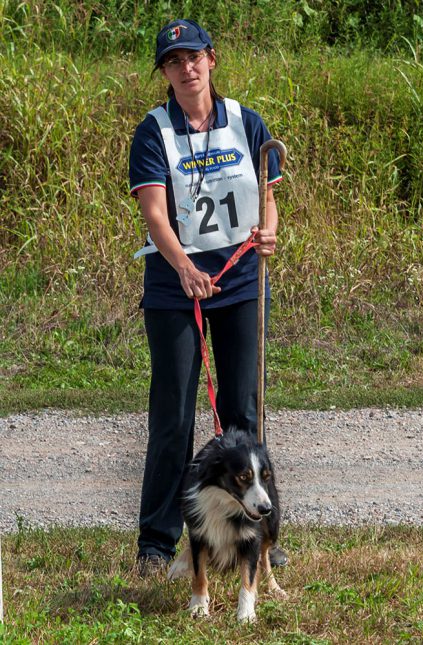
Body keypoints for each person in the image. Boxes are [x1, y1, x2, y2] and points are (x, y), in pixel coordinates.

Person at [129, 18, 287, 574]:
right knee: (173, 416)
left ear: (211, 59)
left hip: (242, 283)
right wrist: (185, 267)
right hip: (177, 289)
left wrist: (269, 230)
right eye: (174, 62)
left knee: (241, 413)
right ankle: (156, 542)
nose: (186, 67)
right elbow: (153, 213)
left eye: (194, 56)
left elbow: (267, 193)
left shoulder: (246, 120)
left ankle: (258, 535)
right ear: (165, 73)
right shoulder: (153, 131)